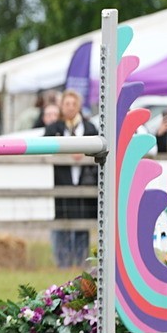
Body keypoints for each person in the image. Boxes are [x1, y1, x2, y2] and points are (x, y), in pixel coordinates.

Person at [44, 89, 98, 269]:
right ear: (61, 106)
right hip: (63, 181)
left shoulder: (89, 128)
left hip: (85, 182)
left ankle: (81, 262)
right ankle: (63, 263)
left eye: (73, 104)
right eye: (66, 104)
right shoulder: (54, 128)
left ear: (79, 106)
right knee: (63, 220)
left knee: (82, 224)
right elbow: (45, 149)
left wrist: (82, 154)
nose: (70, 107)